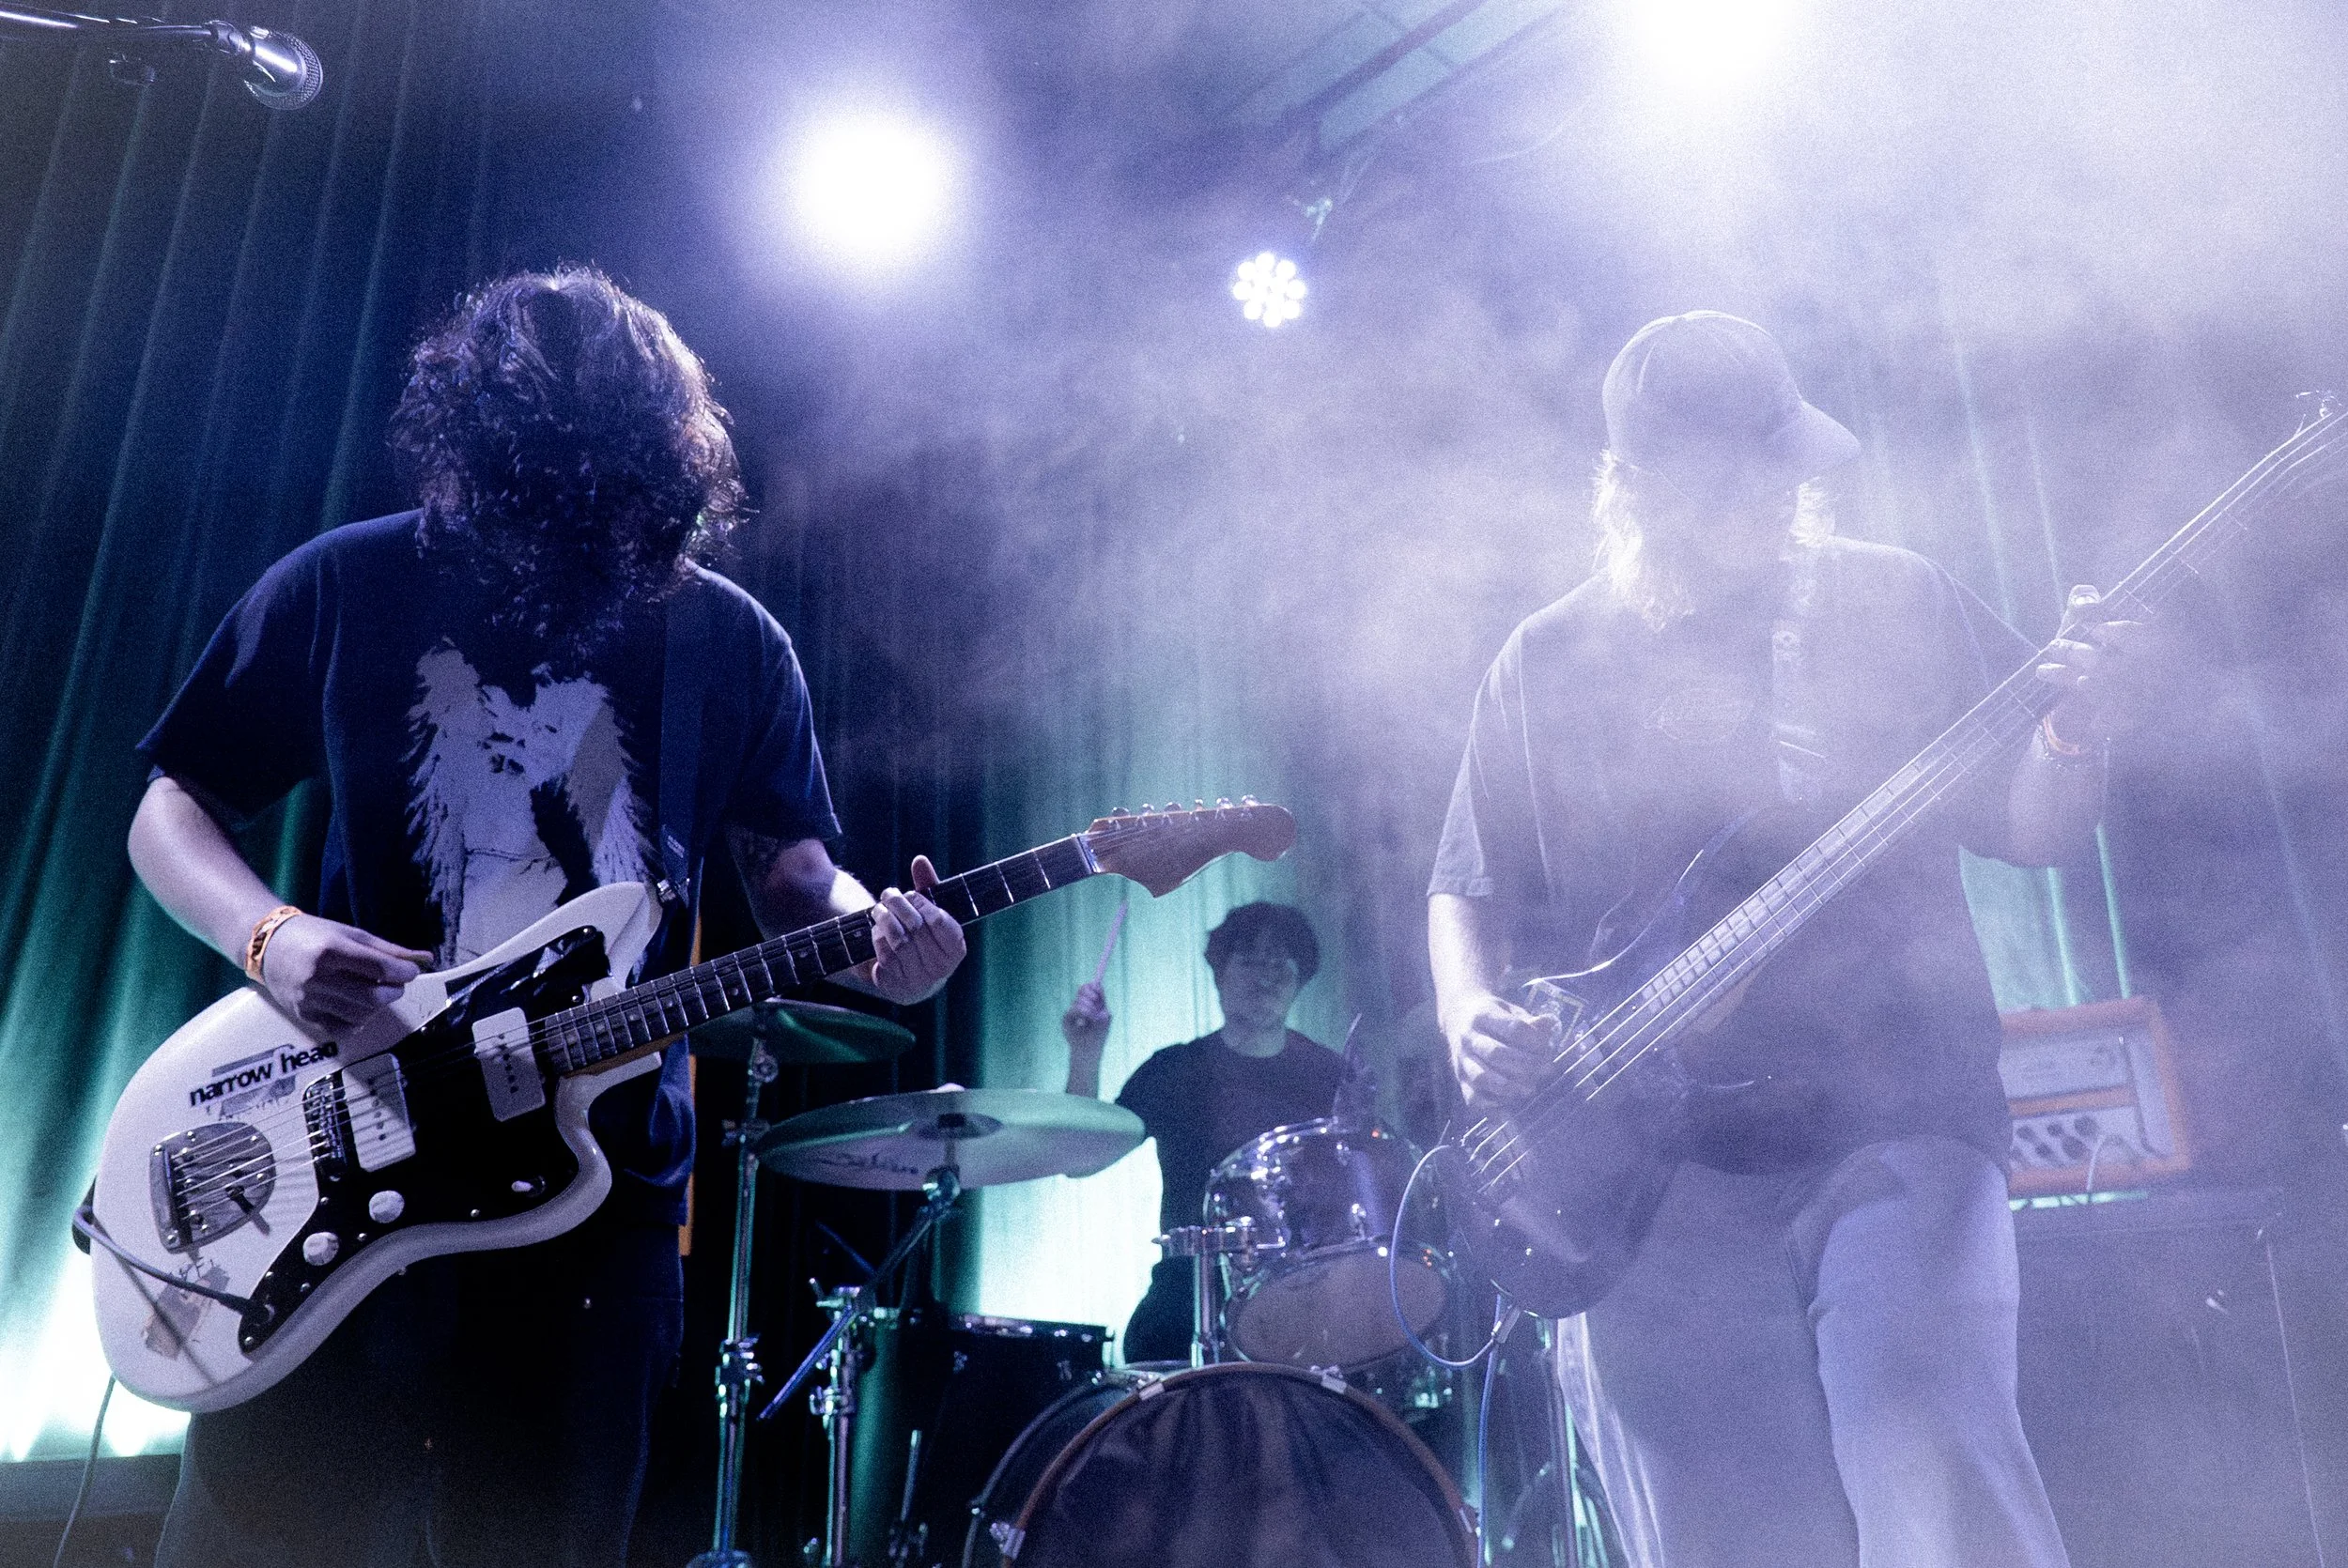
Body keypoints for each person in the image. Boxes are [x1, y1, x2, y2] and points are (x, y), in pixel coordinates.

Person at [127, 267, 965, 1567]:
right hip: (339, 1150)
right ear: (471, 453)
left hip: (595, 1199)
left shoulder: (731, 643)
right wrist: (271, 936)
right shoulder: (349, 584)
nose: (549, 537)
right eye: (525, 493)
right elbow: (167, 810)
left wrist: (886, 933)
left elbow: (798, 874)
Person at [1429, 312, 2140, 1568]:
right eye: (1751, 464)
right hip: (1642, 1170)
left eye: (1785, 458)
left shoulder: (1894, 597)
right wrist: (1468, 1010)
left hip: (1893, 1109)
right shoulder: (1545, 660)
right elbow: (1464, 882)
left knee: (1934, 1468)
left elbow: (2032, 827)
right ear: (1643, 485)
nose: (1786, 488)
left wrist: (2074, 734)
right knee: (1713, 1533)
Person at [1062, 901, 1342, 1361]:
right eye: (1249, 960)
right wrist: (1086, 1053)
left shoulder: (1329, 1078)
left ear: (1300, 980)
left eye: (1281, 963)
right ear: (1219, 972)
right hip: (1184, 1300)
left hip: (1301, 1304)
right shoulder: (1174, 1071)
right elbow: (1079, 1161)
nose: (1266, 976)